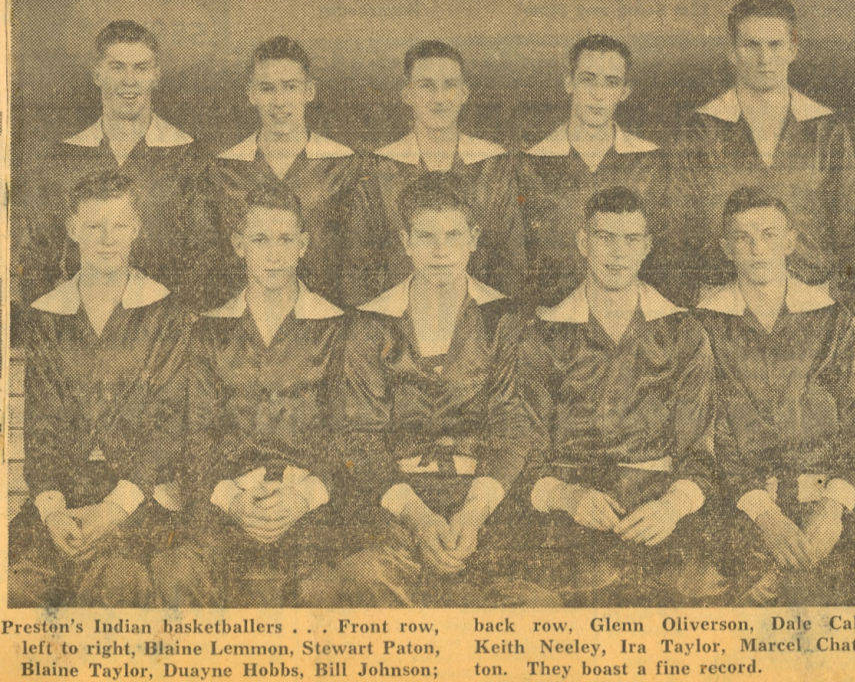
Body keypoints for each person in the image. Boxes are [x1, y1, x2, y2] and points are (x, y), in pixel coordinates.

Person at [512, 186, 724, 606]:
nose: (617, 252)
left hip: (659, 514)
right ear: (582, 242)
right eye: (605, 237)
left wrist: (671, 507)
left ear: (647, 247)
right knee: (537, 600)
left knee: (703, 593)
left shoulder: (682, 332)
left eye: (631, 239)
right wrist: (567, 497)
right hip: (570, 519)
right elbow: (522, 452)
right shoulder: (543, 334)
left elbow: (700, 451)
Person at [335, 173, 536, 606]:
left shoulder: (503, 320)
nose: (441, 250)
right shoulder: (371, 324)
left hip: (485, 500)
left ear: (474, 239)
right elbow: (359, 437)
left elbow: (515, 427)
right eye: (426, 236)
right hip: (397, 502)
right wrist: (419, 518)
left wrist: (474, 512)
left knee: (531, 598)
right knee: (363, 580)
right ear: (405, 241)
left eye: (453, 235)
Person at [153, 181, 345, 607]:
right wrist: (234, 500)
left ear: (304, 245)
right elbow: (196, 436)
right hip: (227, 505)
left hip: (310, 509)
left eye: (285, 239)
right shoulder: (209, 331)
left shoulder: (336, 328)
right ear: (239, 245)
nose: (273, 254)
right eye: (259, 239)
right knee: (178, 571)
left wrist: (302, 496)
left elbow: (346, 434)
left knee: (324, 586)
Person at [695, 186, 855, 605]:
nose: (757, 248)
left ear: (790, 241)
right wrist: (765, 513)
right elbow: (707, 430)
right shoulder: (703, 325)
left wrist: (834, 506)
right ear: (727, 248)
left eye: (769, 234)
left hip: (824, 503)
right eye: (743, 238)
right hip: (742, 506)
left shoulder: (830, 317)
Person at [675, 0, 855, 382]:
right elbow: (680, 236)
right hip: (725, 319)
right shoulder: (700, 129)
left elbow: (853, 231)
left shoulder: (826, 129)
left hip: (813, 318)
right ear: (731, 52)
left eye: (775, 44)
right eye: (751, 45)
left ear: (793, 49)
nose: (764, 58)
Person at [8, 171, 188, 607]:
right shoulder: (47, 315)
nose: (107, 239)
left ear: (137, 228)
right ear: (72, 229)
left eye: (119, 225)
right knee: (17, 585)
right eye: (93, 226)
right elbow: (42, 425)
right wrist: (51, 510)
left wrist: (113, 509)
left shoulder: (165, 313)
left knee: (117, 581)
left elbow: (169, 425)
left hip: (139, 494)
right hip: (63, 493)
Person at [16, 20, 201, 309]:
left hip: (165, 328)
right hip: (81, 326)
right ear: (98, 74)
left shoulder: (190, 156)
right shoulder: (63, 160)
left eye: (141, 68)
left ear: (156, 75)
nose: (129, 80)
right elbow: (38, 259)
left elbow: (208, 258)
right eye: (117, 67)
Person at [341, 40, 525, 305]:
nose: (439, 98)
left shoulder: (494, 165)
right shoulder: (379, 167)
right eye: (427, 85)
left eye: (449, 85)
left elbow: (512, 262)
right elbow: (358, 266)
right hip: (399, 325)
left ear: (464, 93)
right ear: (408, 94)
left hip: (478, 324)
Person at [184, 36, 359, 309]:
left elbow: (359, 264)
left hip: (326, 327)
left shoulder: (345, 166)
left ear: (309, 91)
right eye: (267, 88)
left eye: (290, 87)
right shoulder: (221, 170)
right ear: (251, 94)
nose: (279, 101)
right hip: (243, 327)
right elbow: (206, 265)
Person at [517, 34, 683, 308]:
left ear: (625, 91)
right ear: (568, 83)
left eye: (611, 82)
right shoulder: (529, 164)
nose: (598, 94)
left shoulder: (652, 162)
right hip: (552, 319)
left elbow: (666, 259)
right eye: (588, 79)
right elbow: (519, 259)